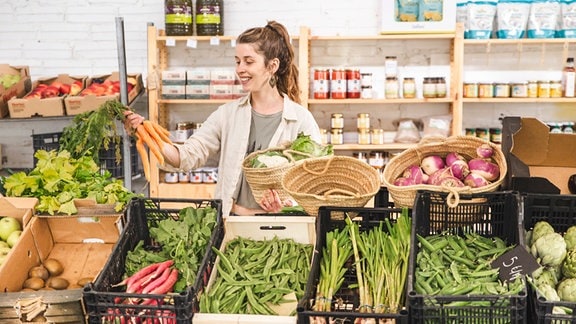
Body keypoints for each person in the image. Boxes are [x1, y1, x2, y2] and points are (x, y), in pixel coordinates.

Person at [125, 20, 321, 216]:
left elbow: (315, 182)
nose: (240, 69)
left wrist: (288, 204)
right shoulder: (227, 115)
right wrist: (144, 131)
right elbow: (186, 156)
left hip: (281, 227)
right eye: (237, 61)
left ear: (272, 66)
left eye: (249, 61)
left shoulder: (301, 120)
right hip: (231, 222)